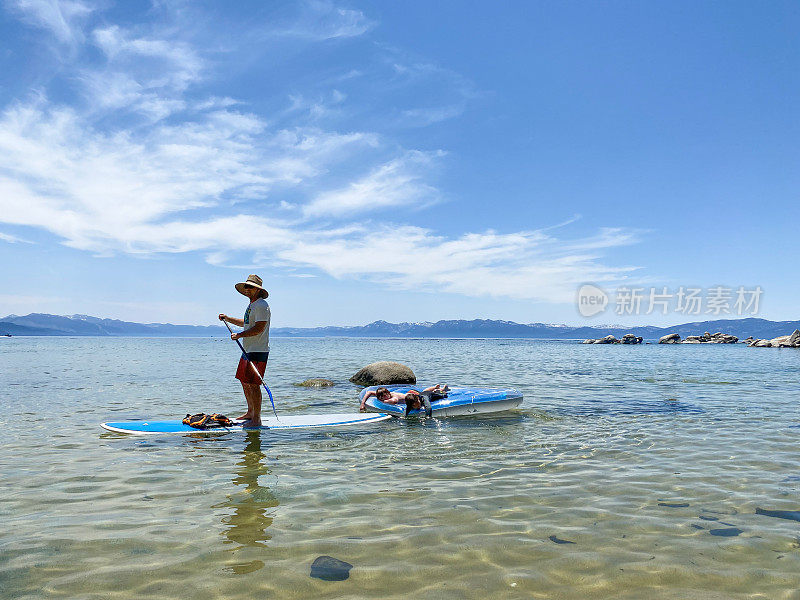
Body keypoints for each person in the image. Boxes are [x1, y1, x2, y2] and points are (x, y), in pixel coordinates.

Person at [219, 274, 271, 427]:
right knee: (244, 380)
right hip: (248, 349)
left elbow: (259, 328)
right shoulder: (252, 305)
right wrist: (228, 318)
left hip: (258, 350)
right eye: (246, 287)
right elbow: (247, 323)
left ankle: (256, 419)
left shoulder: (262, 305)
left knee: (254, 384)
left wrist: (240, 335)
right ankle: (250, 412)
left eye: (251, 287)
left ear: (258, 290)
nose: (247, 289)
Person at [360, 384, 449, 411]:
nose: (384, 398)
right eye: (381, 397)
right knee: (426, 391)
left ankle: (440, 389)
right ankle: (436, 388)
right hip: (408, 394)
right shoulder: (382, 394)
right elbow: (369, 392)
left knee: (426, 393)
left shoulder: (393, 397)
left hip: (413, 396)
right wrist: (363, 403)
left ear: (387, 393)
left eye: (385, 396)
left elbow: (393, 401)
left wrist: (383, 402)